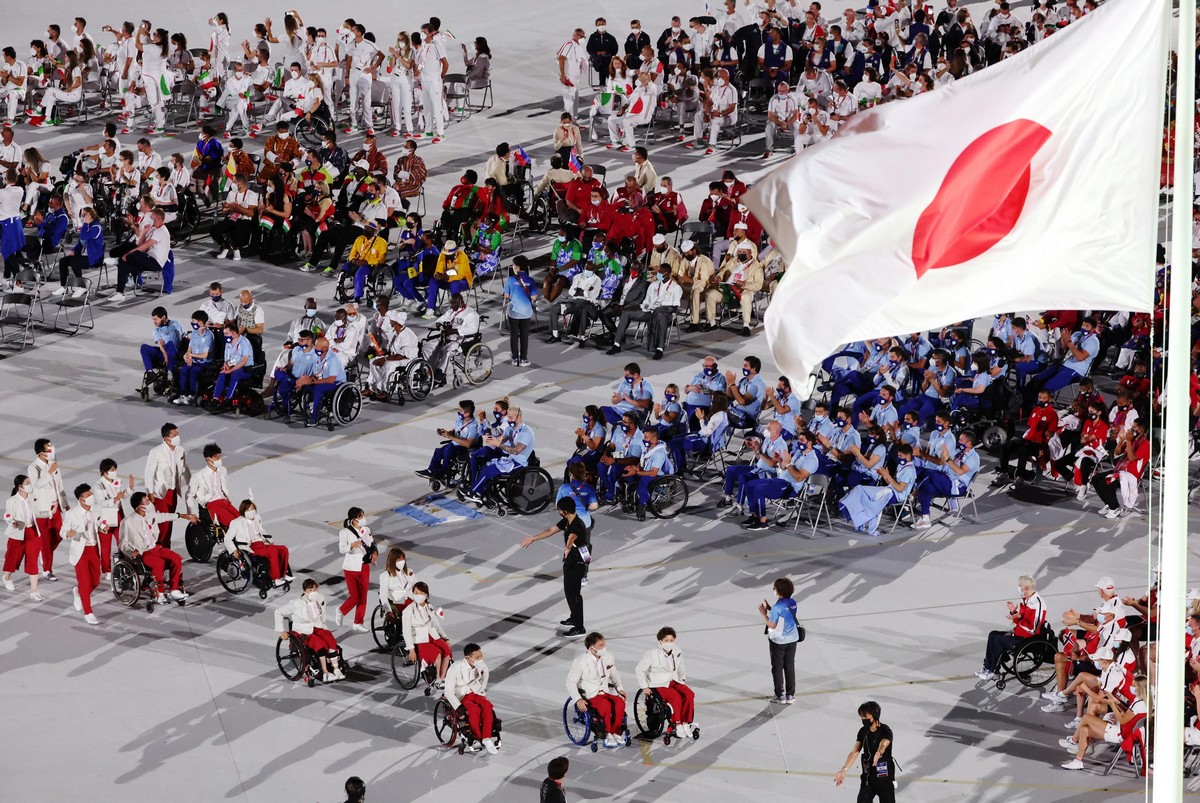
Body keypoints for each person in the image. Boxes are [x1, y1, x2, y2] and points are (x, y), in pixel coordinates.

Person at [521, 497, 591, 638]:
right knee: (569, 592)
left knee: (574, 594)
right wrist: (533, 538)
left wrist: (567, 547)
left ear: (565, 511)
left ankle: (579, 627)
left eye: (559, 509)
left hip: (576, 563)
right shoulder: (567, 520)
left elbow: (572, 537)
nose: (558, 511)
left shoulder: (577, 524)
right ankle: (574, 617)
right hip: (571, 560)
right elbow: (551, 530)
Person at [118, 492, 196, 603]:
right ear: (140, 505)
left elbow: (165, 516)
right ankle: (159, 593)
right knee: (158, 563)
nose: (149, 502)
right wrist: (131, 552)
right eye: (146, 501)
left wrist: (183, 515)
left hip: (156, 548)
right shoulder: (127, 522)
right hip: (143, 552)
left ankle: (174, 589)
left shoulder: (150, 515)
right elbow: (123, 544)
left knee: (176, 558)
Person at [975, 575, 1046, 680]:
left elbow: (1033, 628)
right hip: (1018, 633)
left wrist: (1019, 617)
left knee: (999, 640)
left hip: (1027, 639)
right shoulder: (1025, 600)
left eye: (1020, 586)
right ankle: (988, 667)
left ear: (1026, 588)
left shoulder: (1037, 604)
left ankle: (992, 670)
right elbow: (1020, 622)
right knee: (993, 634)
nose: (1018, 588)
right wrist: (1014, 612)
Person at [276, 578, 346, 684]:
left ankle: (336, 668)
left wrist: (324, 625)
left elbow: (323, 613)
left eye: (315, 589)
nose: (313, 592)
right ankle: (325, 672)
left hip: (317, 626)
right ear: (305, 591)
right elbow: (278, 612)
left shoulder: (320, 598)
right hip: (303, 630)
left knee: (329, 638)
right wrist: (281, 631)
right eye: (310, 590)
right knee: (319, 643)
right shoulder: (295, 603)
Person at [461, 406, 535, 503]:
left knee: (489, 470)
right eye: (508, 417)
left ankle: (474, 492)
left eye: (511, 418)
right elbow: (500, 439)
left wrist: (498, 444)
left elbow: (516, 451)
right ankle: (479, 492)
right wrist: (492, 440)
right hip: (510, 460)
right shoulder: (510, 429)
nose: (509, 420)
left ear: (519, 417)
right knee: (486, 465)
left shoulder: (526, 432)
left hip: (519, 463)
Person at [567, 632, 628, 748]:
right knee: (605, 705)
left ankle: (615, 732)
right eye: (601, 645)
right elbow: (570, 682)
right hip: (589, 694)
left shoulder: (608, 656)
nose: (604, 647)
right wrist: (578, 699)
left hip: (604, 690)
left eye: (604, 644)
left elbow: (614, 675)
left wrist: (620, 689)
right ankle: (607, 733)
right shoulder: (580, 661)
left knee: (620, 702)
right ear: (591, 648)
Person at [635, 627, 696, 738]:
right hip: (658, 684)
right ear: (660, 641)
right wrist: (644, 687)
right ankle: (677, 723)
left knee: (689, 694)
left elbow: (681, 665)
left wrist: (682, 679)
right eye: (666, 640)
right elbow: (639, 669)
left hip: (673, 680)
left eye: (671, 640)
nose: (669, 643)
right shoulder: (652, 654)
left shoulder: (677, 651)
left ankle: (685, 722)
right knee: (675, 697)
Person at [443, 642, 500, 753]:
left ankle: (486, 738)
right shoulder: (455, 668)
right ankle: (477, 737)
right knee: (474, 710)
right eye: (477, 657)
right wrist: (458, 707)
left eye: (481, 656)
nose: (481, 659)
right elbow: (449, 691)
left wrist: (481, 689)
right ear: (467, 658)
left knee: (487, 705)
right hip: (461, 695)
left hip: (475, 691)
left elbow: (485, 675)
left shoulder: (481, 666)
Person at [834, 701, 896, 802]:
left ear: (874, 715)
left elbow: (885, 742)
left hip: (884, 777)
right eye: (861, 716)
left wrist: (879, 752)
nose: (863, 719)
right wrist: (843, 770)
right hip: (868, 777)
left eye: (865, 716)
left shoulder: (885, 730)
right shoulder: (863, 731)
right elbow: (855, 751)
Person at [28, 437, 69, 582]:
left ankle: (45, 554)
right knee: (45, 540)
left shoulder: (53, 465)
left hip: (55, 506)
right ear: (41, 452)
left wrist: (65, 503)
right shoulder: (33, 467)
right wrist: (49, 472)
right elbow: (37, 484)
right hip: (42, 509)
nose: (52, 451)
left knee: (60, 534)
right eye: (49, 449)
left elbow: (60, 485)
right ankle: (47, 569)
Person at [109, 206, 170, 303]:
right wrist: (145, 232)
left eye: (153, 219)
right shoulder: (153, 229)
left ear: (158, 219)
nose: (151, 221)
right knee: (123, 263)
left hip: (155, 262)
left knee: (132, 253)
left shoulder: (162, 231)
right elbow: (139, 244)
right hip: (145, 258)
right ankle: (120, 293)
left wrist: (127, 255)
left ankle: (119, 259)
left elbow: (145, 246)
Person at [224, 500, 291, 586]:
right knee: (272, 552)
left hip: (261, 543)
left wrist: (269, 540)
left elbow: (261, 530)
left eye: (252, 508)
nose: (251, 511)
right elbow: (227, 538)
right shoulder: (237, 523)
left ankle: (283, 575)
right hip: (250, 546)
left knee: (283, 549)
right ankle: (275, 579)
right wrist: (234, 551)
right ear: (243, 511)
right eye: (248, 510)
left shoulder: (257, 518)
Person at [144, 422, 190, 547]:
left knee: (170, 521)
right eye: (174, 434)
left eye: (178, 433)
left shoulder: (181, 451)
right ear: (166, 438)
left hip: (173, 492)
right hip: (160, 493)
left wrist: (191, 485)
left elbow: (185, 469)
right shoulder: (156, 452)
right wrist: (150, 492)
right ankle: (158, 547)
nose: (178, 436)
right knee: (163, 523)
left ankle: (166, 548)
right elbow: (149, 473)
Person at [62, 484, 102, 624]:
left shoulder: (96, 510)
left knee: (96, 581)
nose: (91, 497)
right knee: (85, 582)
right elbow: (63, 531)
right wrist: (69, 533)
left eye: (91, 494)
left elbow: (100, 523)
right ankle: (88, 612)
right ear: (81, 499)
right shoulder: (72, 513)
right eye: (88, 495)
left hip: (94, 548)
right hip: (81, 551)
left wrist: (104, 526)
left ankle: (78, 593)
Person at [757, 577, 799, 704]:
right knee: (789, 666)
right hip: (792, 639)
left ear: (778, 591)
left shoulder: (777, 608)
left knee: (777, 667)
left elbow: (772, 625)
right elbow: (784, 614)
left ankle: (779, 695)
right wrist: (771, 608)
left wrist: (764, 613)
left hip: (778, 641)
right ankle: (790, 695)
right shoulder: (793, 602)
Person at [417, 400, 481, 483]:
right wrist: (446, 433)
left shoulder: (473, 426)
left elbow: (468, 444)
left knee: (448, 451)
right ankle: (430, 471)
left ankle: (441, 473)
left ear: (467, 413)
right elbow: (454, 431)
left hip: (463, 448)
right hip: (454, 444)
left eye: (460, 410)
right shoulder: (459, 420)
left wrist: (451, 436)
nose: (459, 412)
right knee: (438, 452)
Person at [403, 580, 452, 686]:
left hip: (432, 634)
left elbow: (436, 624)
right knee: (437, 654)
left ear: (426, 595)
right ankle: (438, 679)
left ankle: (443, 677)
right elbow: (406, 631)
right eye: (416, 593)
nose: (419, 595)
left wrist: (445, 637)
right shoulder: (408, 611)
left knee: (447, 650)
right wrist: (411, 650)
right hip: (420, 638)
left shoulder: (429, 607)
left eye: (421, 593)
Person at [337, 507, 376, 631]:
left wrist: (374, 553)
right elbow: (341, 549)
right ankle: (341, 610)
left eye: (363, 516)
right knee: (355, 597)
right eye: (360, 517)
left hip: (364, 565)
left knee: (363, 596)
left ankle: (358, 622)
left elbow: (371, 544)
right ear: (353, 520)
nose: (363, 519)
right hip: (351, 567)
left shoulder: (367, 529)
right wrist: (351, 545)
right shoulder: (344, 532)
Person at [3, 475, 42, 599]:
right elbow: (8, 515)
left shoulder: (33, 498)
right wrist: (11, 522)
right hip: (18, 533)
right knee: (13, 558)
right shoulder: (12, 501)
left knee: (32, 561)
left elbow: (38, 511)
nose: (30, 485)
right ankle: (6, 577)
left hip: (32, 532)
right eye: (27, 483)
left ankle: (34, 591)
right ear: (20, 487)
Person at [191, 443, 239, 527]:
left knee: (242, 520)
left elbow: (223, 486)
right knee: (233, 523)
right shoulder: (199, 475)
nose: (219, 459)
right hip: (212, 504)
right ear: (208, 459)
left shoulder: (223, 470)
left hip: (225, 502)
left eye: (220, 457)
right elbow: (193, 495)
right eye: (216, 457)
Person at [503, 256, 537, 367]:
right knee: (524, 336)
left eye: (513, 265)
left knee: (514, 335)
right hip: (526, 312)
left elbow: (506, 296)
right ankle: (523, 359)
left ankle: (514, 358)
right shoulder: (531, 280)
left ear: (517, 267)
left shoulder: (511, 280)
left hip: (514, 312)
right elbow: (534, 297)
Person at [378, 546, 416, 620]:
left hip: (411, 599)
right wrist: (388, 611)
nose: (402, 561)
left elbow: (417, 586)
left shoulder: (409, 571)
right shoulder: (385, 575)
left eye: (403, 559)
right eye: (399, 559)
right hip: (397, 602)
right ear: (392, 561)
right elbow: (383, 595)